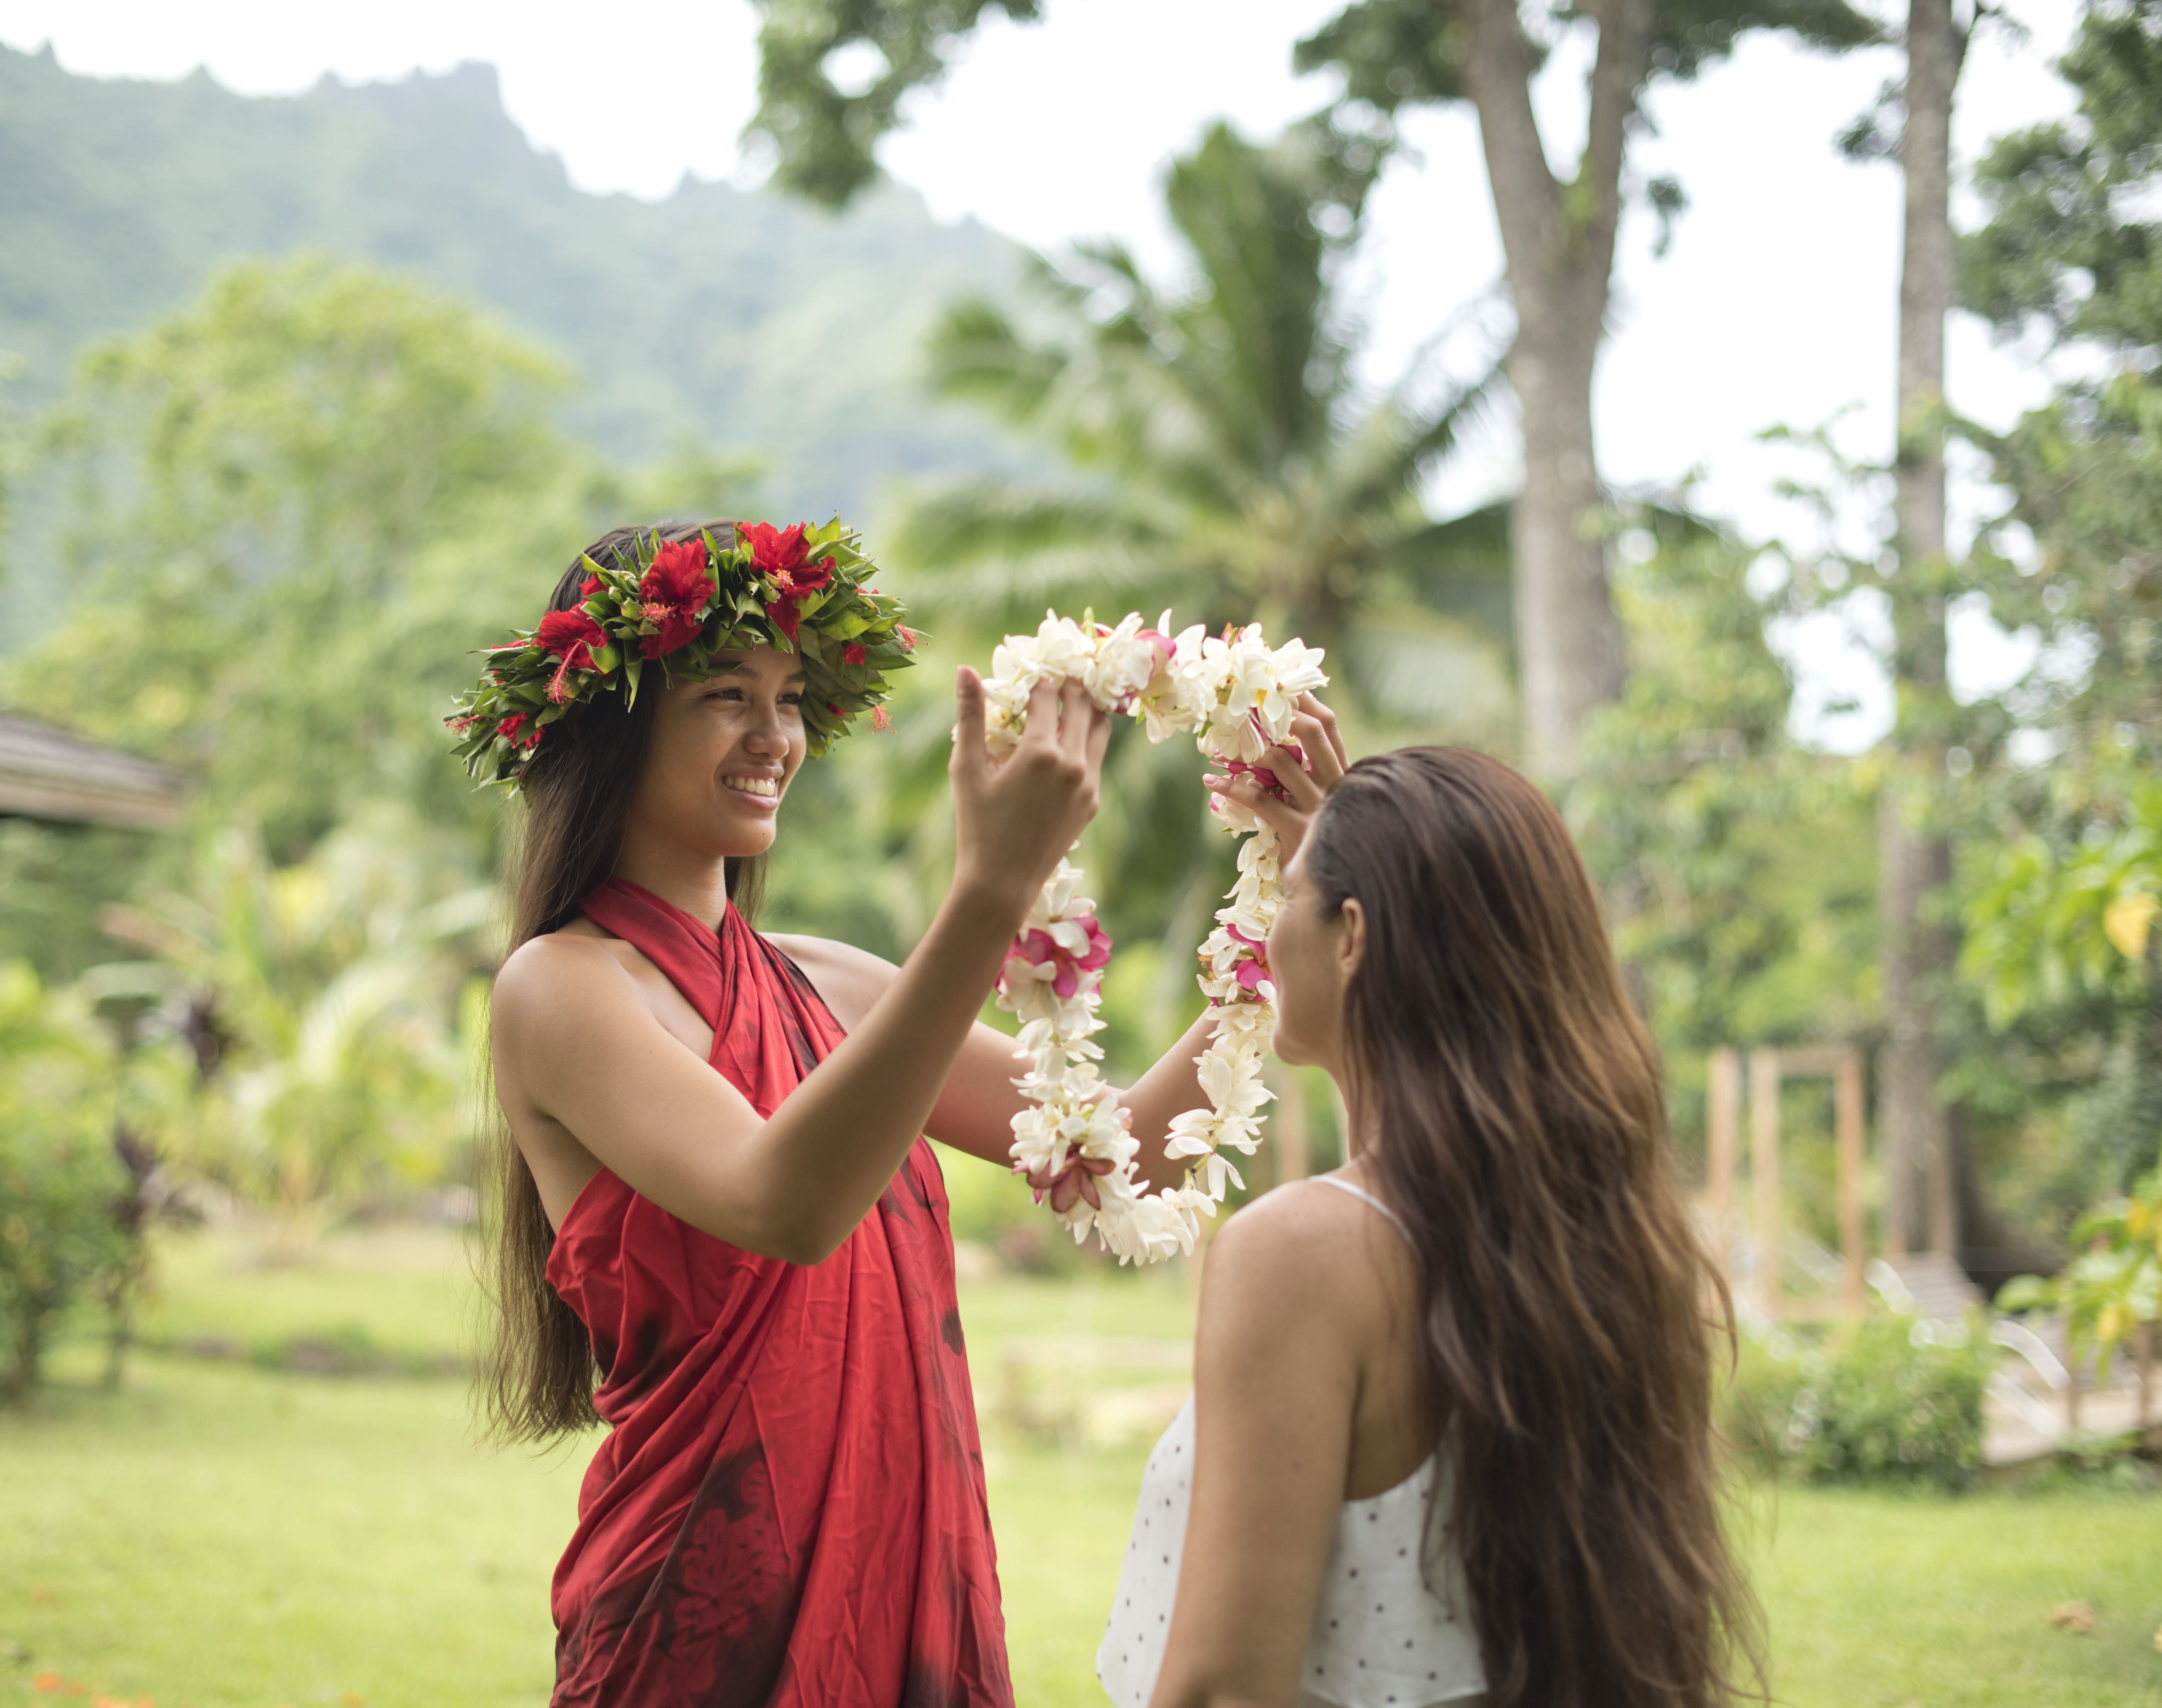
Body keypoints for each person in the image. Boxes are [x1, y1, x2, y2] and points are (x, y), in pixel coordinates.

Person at [472, 520, 1325, 1708]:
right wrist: (990, 893)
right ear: (614, 721)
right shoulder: (559, 989)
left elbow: (1119, 1143)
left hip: (903, 1578)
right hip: (698, 1615)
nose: (775, 736)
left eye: (789, 698)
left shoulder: (832, 983)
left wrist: (1290, 883)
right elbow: (784, 1202)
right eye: (725, 694)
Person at [1100, 746, 1758, 1708]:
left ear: (1354, 936)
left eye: (1286, 895)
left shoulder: (1301, 1254)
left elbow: (1223, 1690)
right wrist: (1344, 853)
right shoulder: (1592, 1235)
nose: (1267, 933)